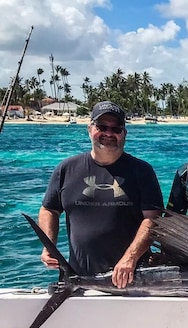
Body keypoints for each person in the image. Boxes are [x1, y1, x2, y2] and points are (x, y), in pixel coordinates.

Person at [38, 101, 163, 288]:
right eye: (102, 127)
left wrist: (130, 259)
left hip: (132, 280)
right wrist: (49, 245)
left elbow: (153, 219)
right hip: (79, 279)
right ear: (90, 129)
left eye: (116, 128)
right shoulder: (66, 169)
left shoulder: (142, 171)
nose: (109, 133)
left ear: (124, 133)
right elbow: (49, 209)